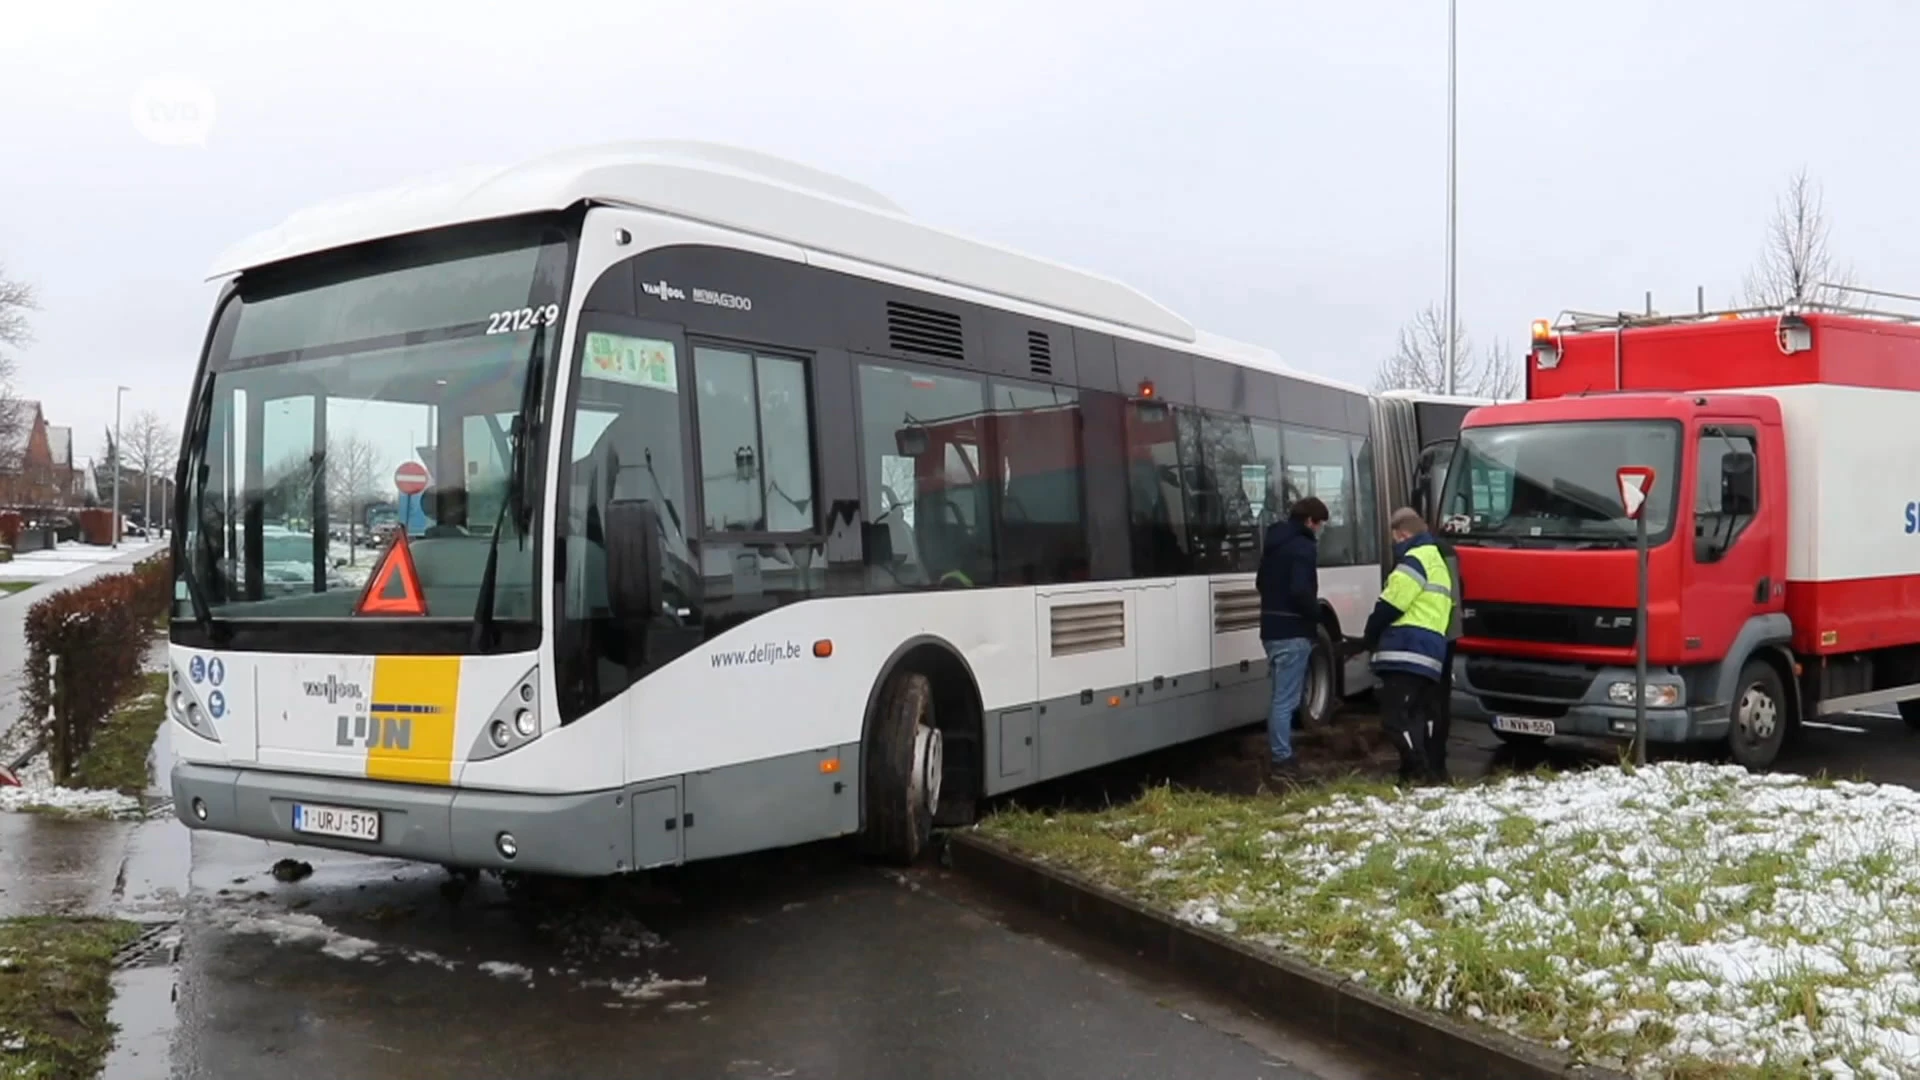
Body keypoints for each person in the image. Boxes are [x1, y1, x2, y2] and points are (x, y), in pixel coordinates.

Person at [1363, 508, 1455, 785]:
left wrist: (1371, 633)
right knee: (1418, 714)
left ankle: (1417, 769)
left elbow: (1390, 604)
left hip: (1406, 650)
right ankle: (1419, 772)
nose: (1394, 544)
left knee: (1395, 719)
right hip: (1431, 652)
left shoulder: (1414, 560)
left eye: (1394, 538)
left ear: (1402, 534)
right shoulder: (1437, 561)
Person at [1256, 496, 1329, 777]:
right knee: (1285, 700)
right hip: (1294, 631)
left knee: (1278, 696)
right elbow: (1300, 590)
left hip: (1271, 630)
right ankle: (1282, 759)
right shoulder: (1303, 547)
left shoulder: (1274, 543)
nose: (1320, 530)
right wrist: (1315, 614)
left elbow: (1260, 582)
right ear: (1310, 521)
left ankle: (1279, 753)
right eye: (1320, 524)